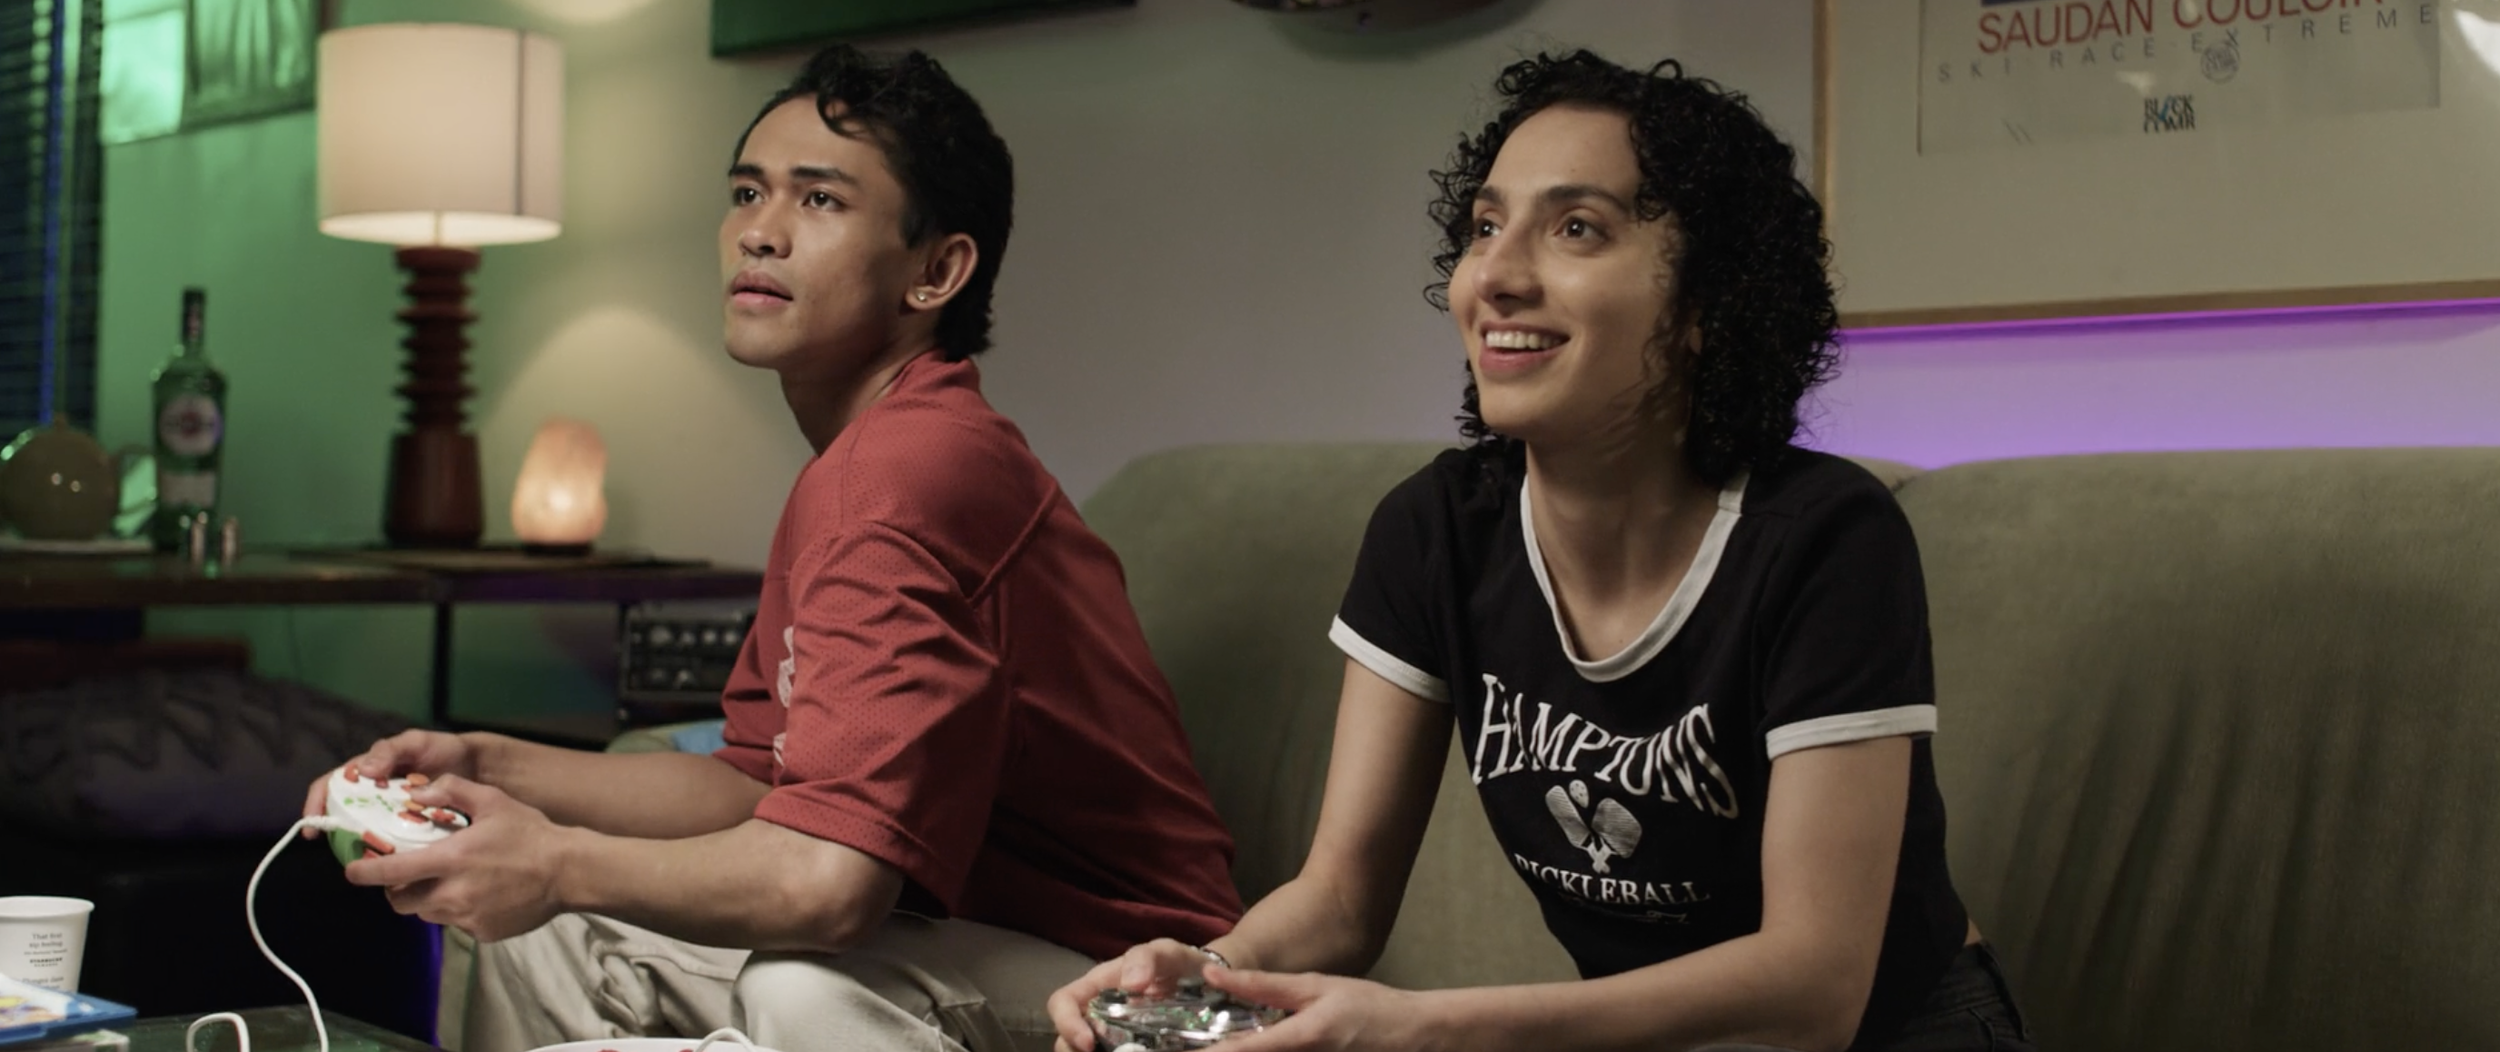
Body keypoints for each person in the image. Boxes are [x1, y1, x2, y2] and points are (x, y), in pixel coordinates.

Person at [1048, 50, 2032, 1052]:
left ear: (1706, 304)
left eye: (1576, 229)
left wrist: (1428, 1026)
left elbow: (1813, 987)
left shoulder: (1822, 540)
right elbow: (1340, 897)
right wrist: (1208, 971)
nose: (1496, 276)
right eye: (1485, 226)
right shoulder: (1435, 533)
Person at [307, 43, 1241, 1052]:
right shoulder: (857, 464)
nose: (759, 230)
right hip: (970, 944)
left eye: (820, 199)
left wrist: (555, 861)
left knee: (802, 982)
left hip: (1133, 991)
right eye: (748, 192)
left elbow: (830, 883)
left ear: (936, 271)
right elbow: (754, 781)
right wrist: (485, 763)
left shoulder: (905, 474)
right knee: (551, 927)